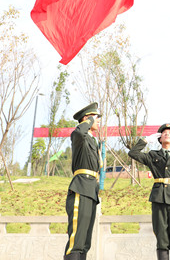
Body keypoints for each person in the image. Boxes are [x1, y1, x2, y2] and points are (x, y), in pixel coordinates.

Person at [128, 123, 170, 260]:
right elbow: (133, 153)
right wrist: (146, 140)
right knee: (161, 237)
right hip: (159, 197)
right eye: (164, 133)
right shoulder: (153, 155)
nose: (167, 134)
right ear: (159, 139)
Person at [64, 102, 102, 260]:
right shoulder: (80, 136)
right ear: (86, 119)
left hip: (91, 190)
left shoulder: (93, 141)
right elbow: (79, 132)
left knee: (85, 242)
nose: (98, 122)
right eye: (95, 118)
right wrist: (89, 121)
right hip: (81, 187)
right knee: (76, 241)